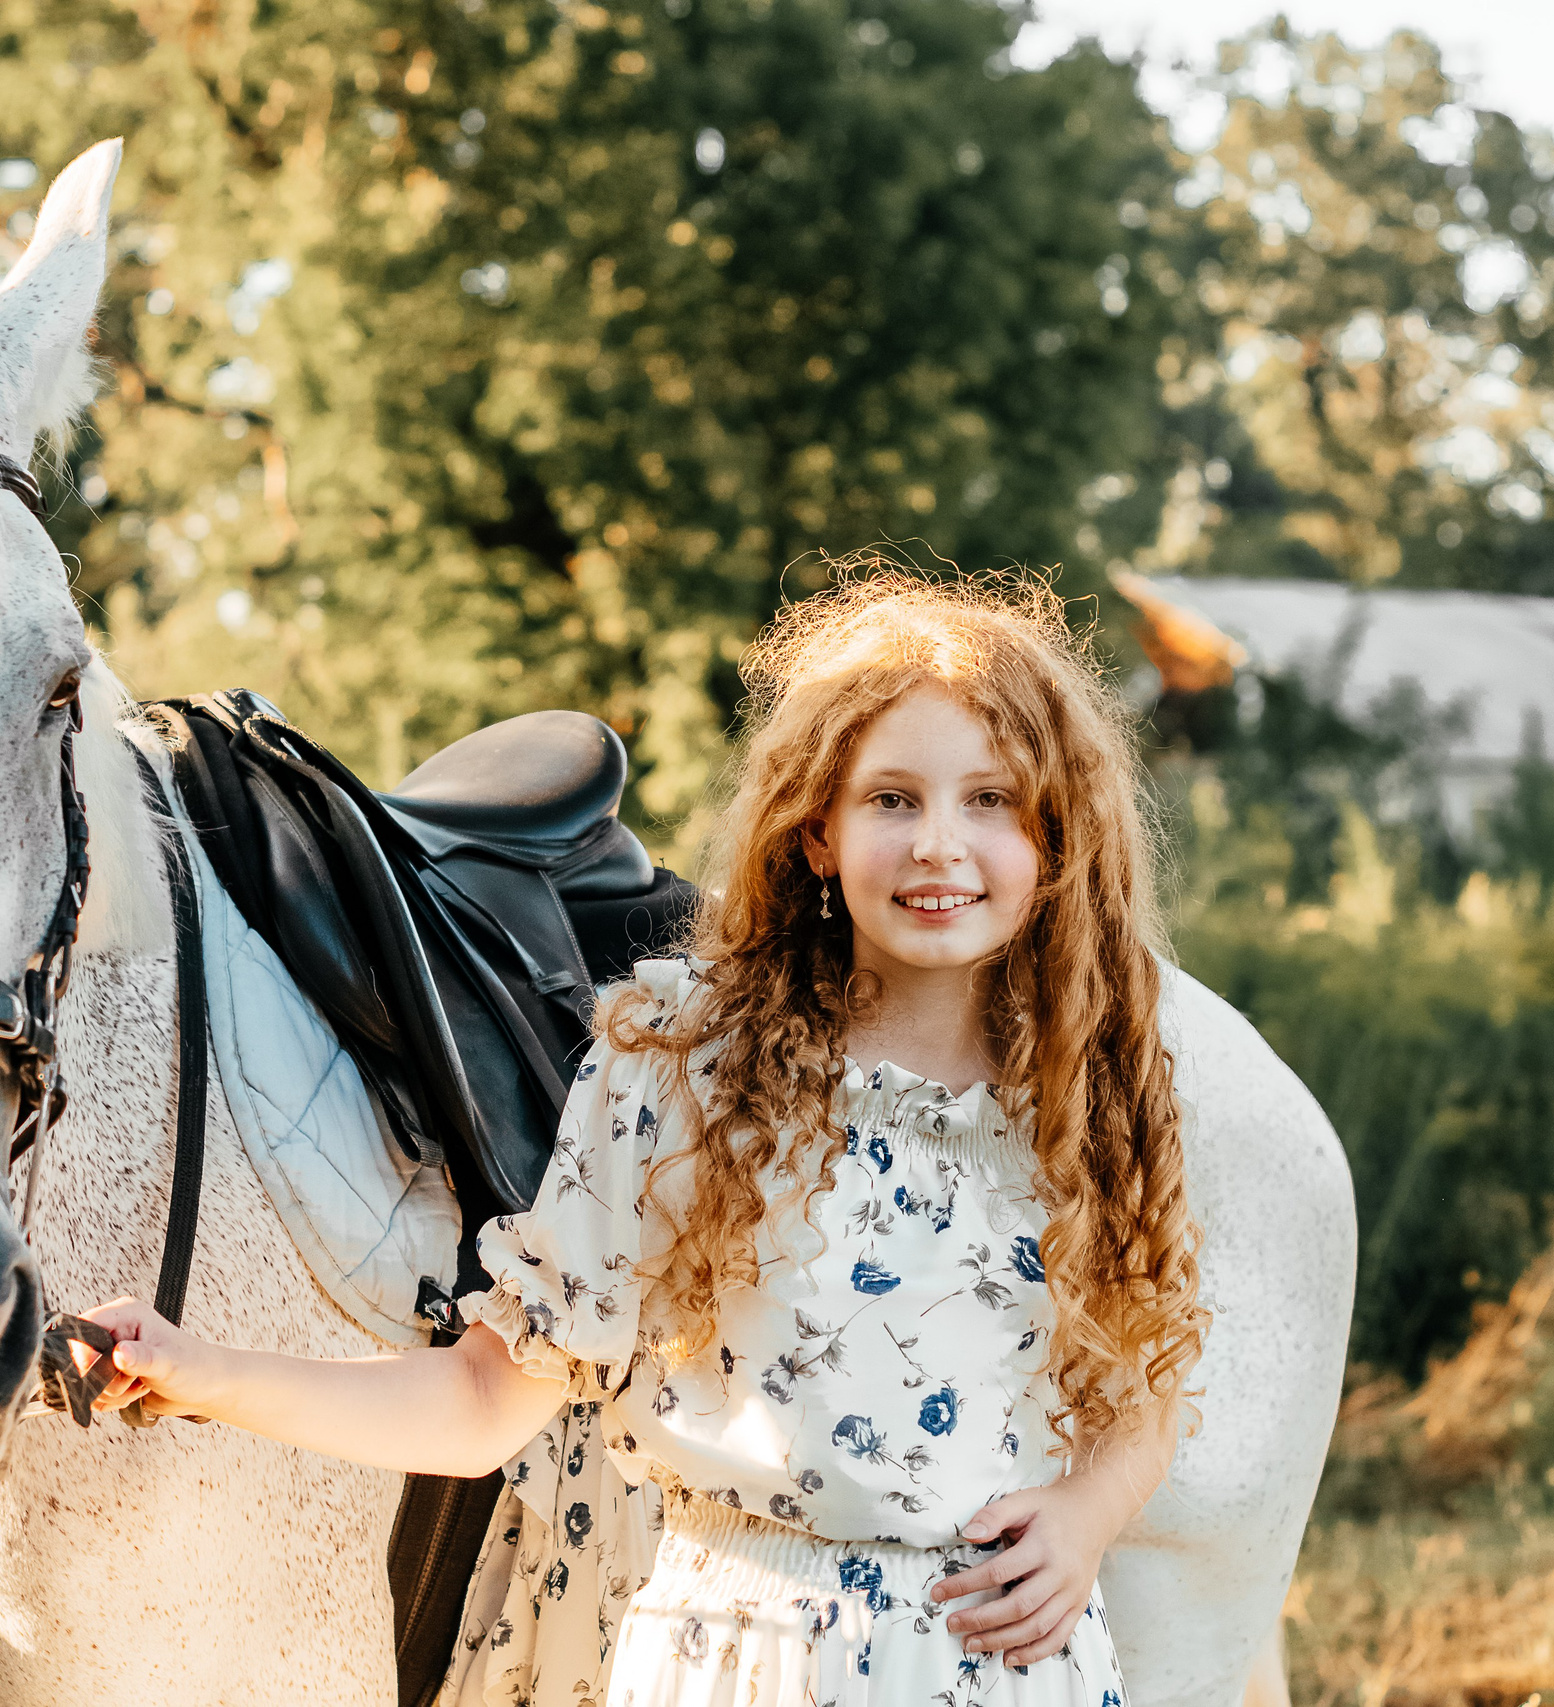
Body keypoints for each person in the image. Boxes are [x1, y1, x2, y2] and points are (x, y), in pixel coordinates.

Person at [80, 572, 1209, 1704]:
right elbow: (482, 1407)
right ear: (818, 830)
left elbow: (1139, 1385)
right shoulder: (683, 1068)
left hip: (1006, 1671)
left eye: (992, 802)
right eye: (892, 800)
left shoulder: (1090, 1086)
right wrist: (200, 1373)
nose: (938, 845)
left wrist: (1087, 1513)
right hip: (746, 1661)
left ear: (1057, 841)